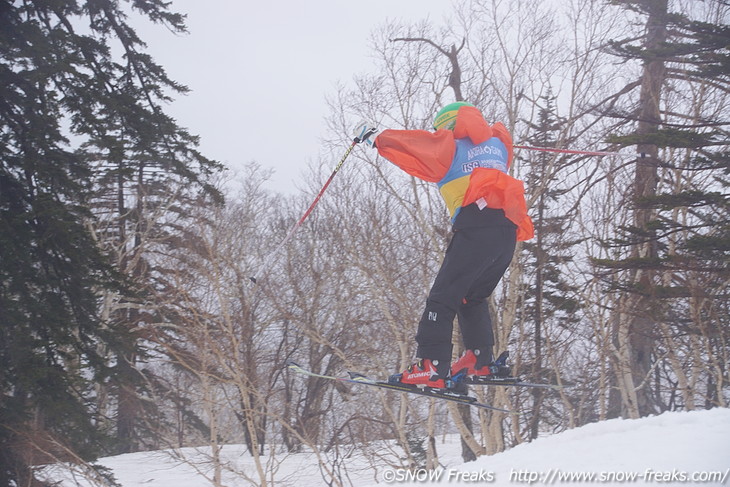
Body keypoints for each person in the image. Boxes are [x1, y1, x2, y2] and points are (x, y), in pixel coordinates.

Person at [357, 102, 534, 389]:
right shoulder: (499, 145)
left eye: (440, 129)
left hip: (477, 226)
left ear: (448, 126)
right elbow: (486, 146)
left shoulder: (447, 146)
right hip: (507, 232)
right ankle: (480, 361)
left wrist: (375, 138)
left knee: (442, 297)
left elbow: (414, 145)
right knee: (471, 297)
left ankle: (431, 365)